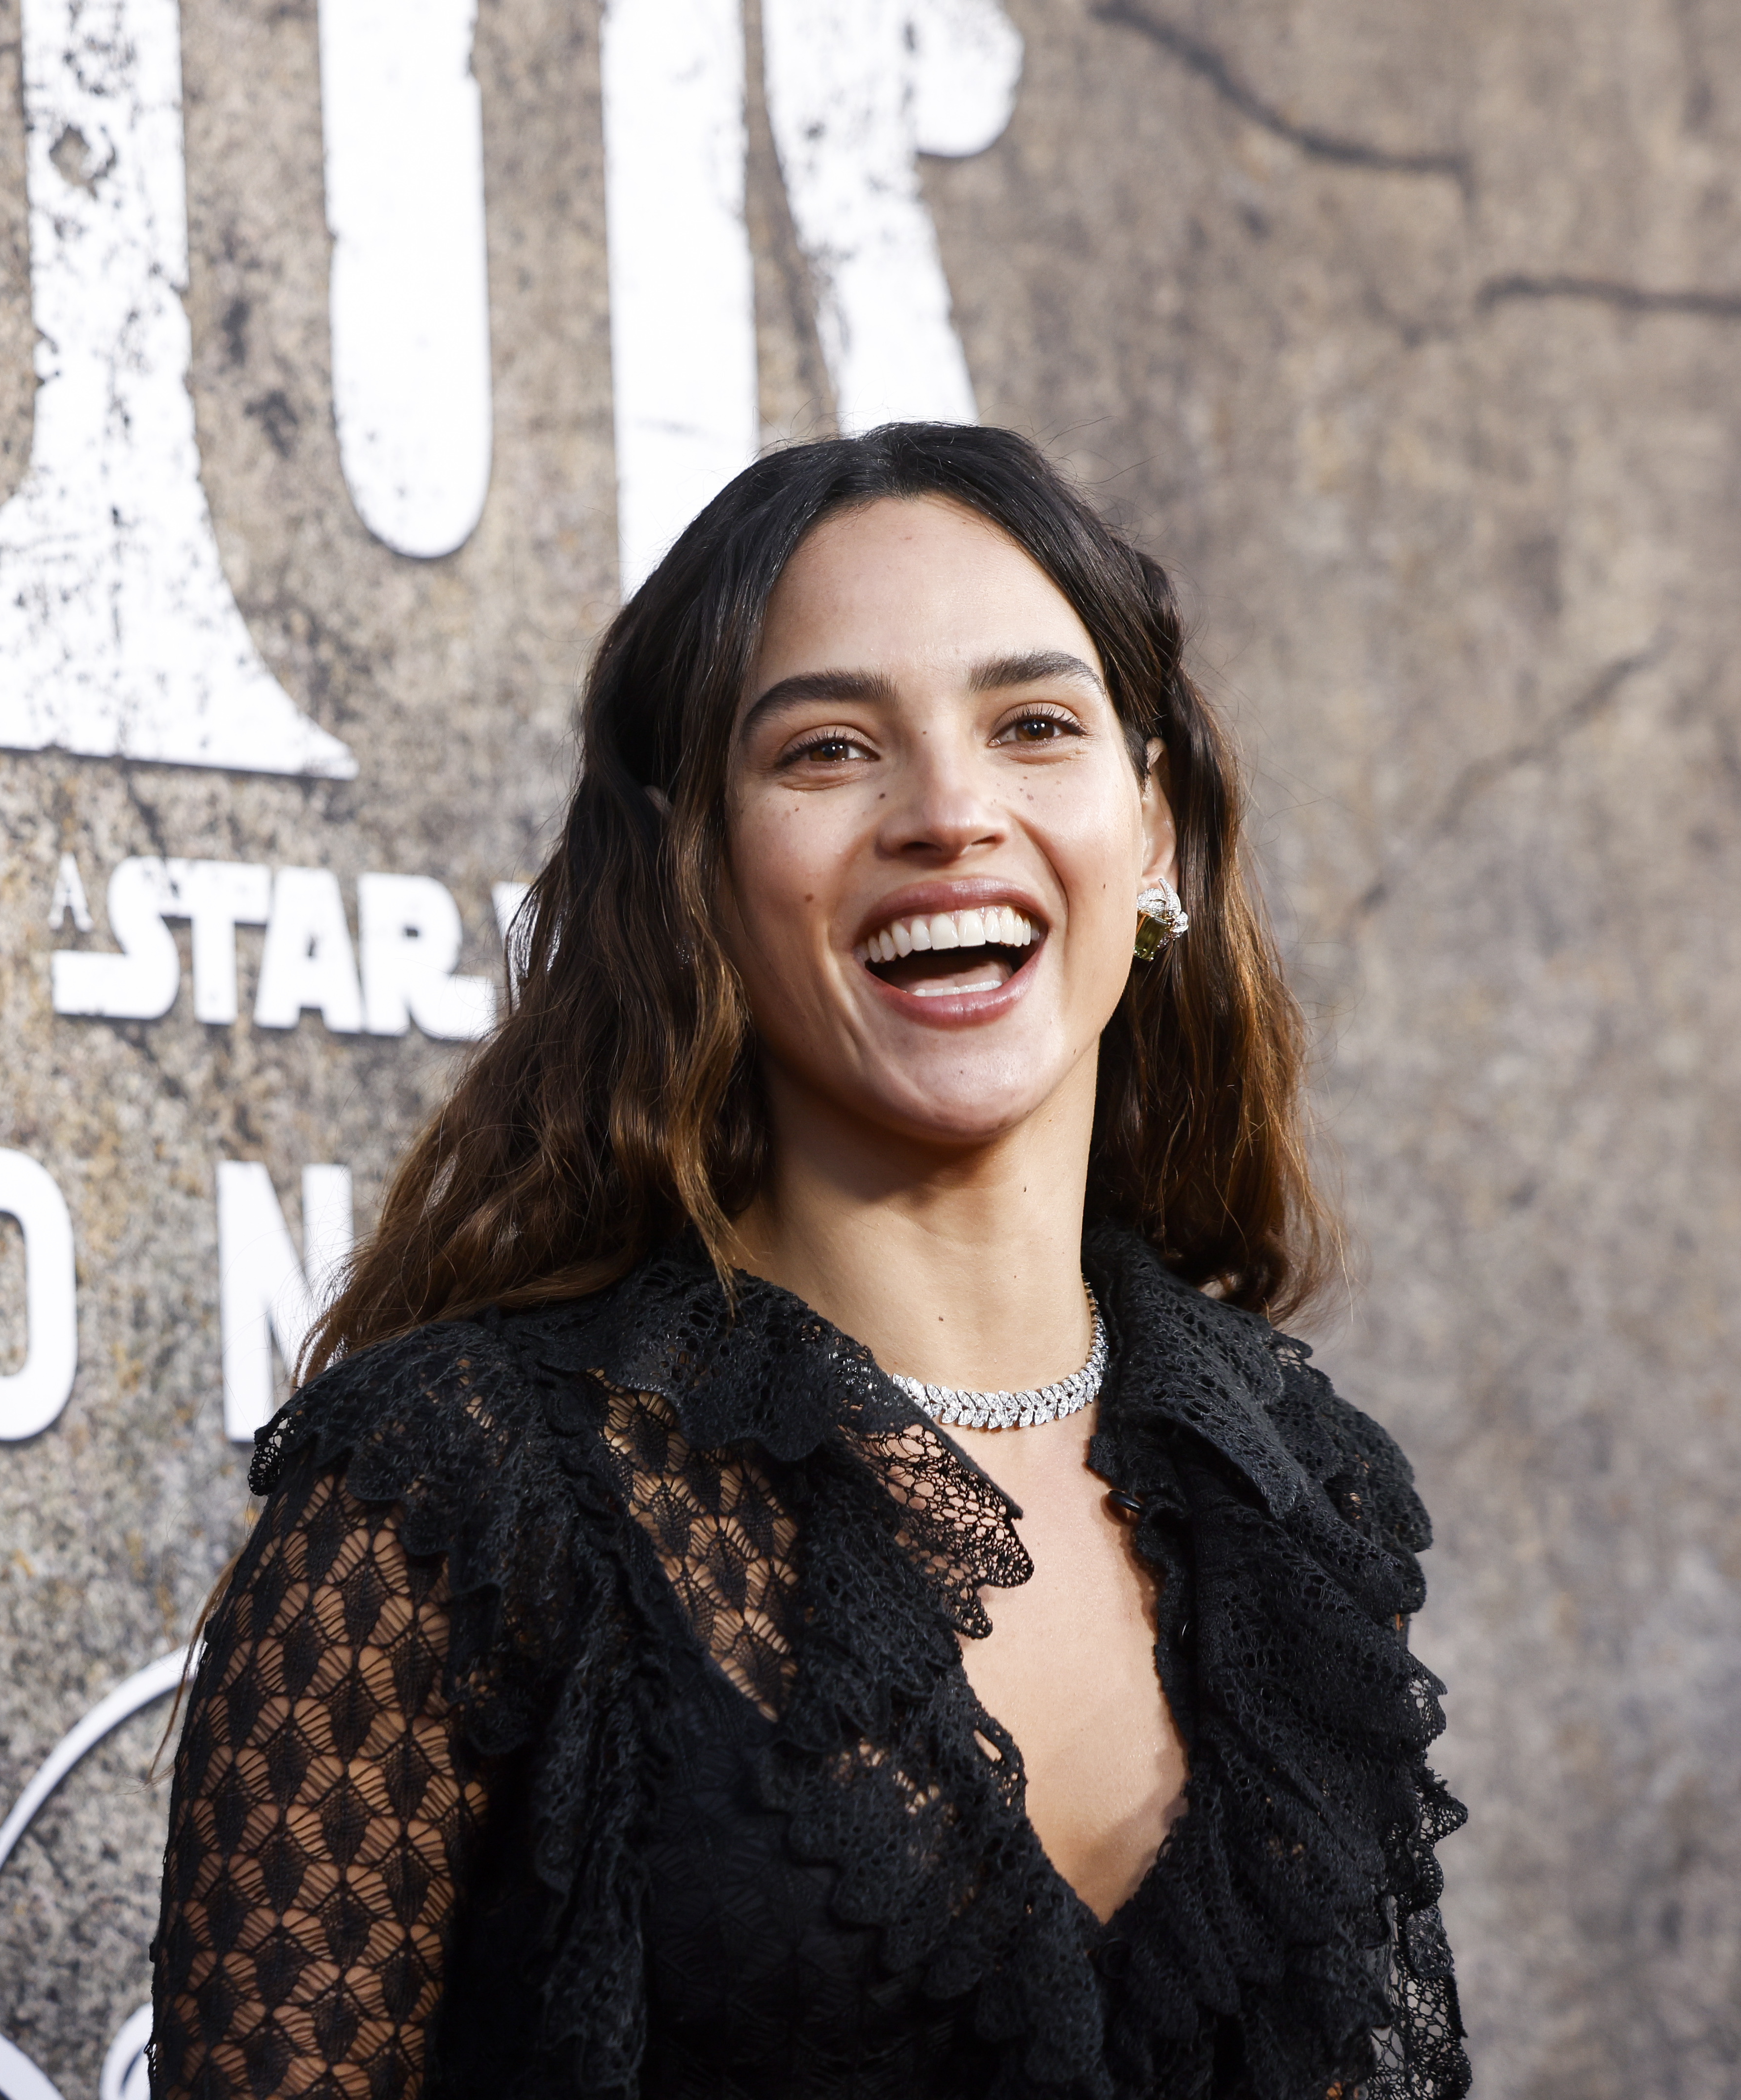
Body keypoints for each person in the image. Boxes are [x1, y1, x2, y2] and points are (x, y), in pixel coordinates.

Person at [150, 425, 1466, 2100]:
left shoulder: (1297, 1500)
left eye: (1035, 727)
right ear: (695, 864)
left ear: (1151, 834)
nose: (950, 813)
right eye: (833, 749)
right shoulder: (453, 1501)